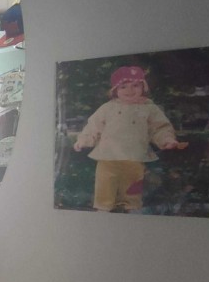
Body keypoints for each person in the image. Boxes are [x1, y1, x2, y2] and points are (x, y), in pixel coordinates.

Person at [73, 65, 187, 213]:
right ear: (115, 90)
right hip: (108, 157)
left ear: (143, 87)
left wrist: (166, 139)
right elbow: (93, 126)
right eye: (123, 87)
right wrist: (84, 140)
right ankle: (103, 211)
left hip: (134, 157)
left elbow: (159, 127)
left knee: (132, 189)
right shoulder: (107, 108)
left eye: (135, 85)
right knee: (105, 186)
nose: (130, 90)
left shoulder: (149, 108)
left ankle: (131, 211)